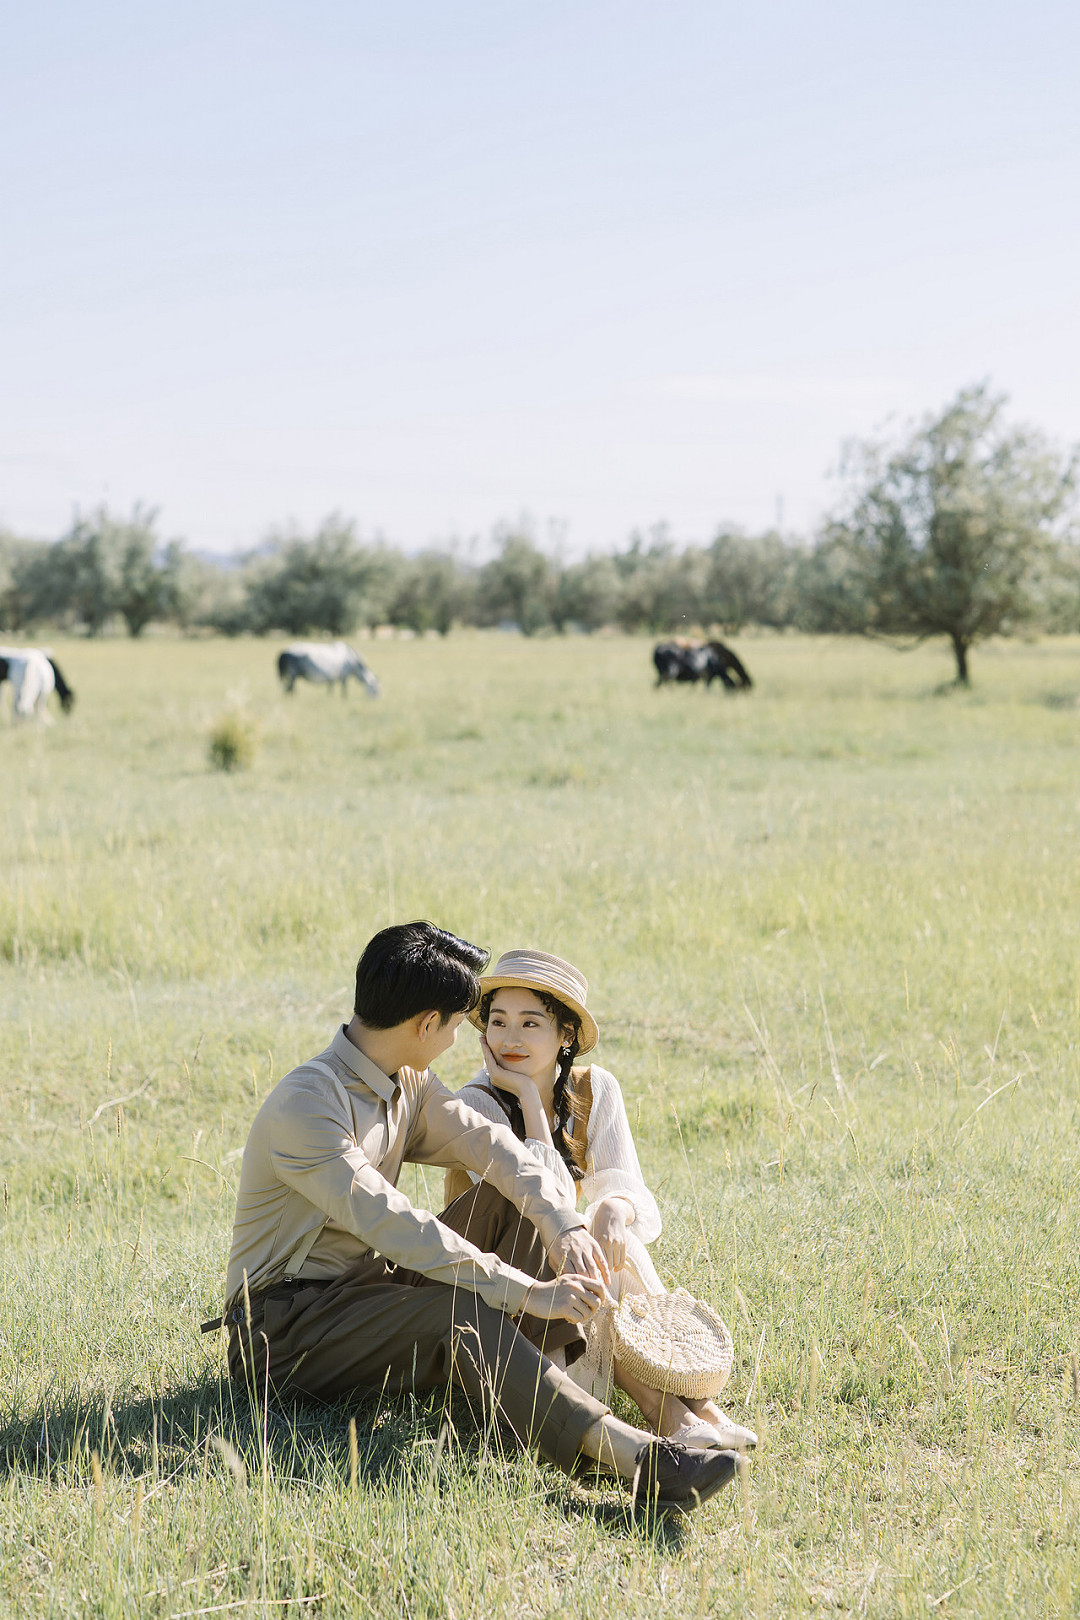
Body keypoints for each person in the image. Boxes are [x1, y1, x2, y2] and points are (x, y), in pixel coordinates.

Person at [214, 920, 744, 1514]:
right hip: (283, 1328)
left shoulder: (404, 1082)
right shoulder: (309, 1106)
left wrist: (561, 1221)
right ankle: (641, 1460)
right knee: (458, 1309)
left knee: (510, 1195)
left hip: (360, 1291)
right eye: (460, 1022)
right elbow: (395, 1224)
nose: (467, 1041)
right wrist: (525, 1292)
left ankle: (542, 1383)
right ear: (425, 1025)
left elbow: (489, 1147)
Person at [445, 948, 756, 1451]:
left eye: (530, 1023)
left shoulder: (597, 1089)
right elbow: (540, 1201)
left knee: (610, 1235)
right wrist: (526, 1095)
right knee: (584, 1241)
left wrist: (617, 1207)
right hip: (504, 1279)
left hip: (566, 1265)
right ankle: (677, 1413)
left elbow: (627, 1189)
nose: (510, 1038)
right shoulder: (478, 1101)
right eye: (498, 1022)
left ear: (565, 1035)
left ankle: (689, 1413)